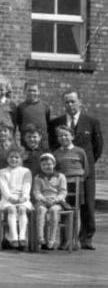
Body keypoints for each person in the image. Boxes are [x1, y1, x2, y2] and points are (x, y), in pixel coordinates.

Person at [47, 90, 101, 250]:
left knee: (88, 205)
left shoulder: (91, 122)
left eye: (73, 101)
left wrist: (85, 165)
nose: (70, 105)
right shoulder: (56, 122)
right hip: (63, 173)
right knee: (65, 204)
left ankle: (86, 238)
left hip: (85, 171)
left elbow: (97, 147)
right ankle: (66, 239)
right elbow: (53, 144)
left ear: (79, 102)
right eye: (67, 102)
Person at [0, 148, 32, 250]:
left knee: (22, 209)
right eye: (11, 157)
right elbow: (3, 187)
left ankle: (22, 236)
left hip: (22, 198)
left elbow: (26, 185)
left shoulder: (26, 171)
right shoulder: (2, 172)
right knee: (11, 209)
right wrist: (10, 198)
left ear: (21, 159)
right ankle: (14, 237)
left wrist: (24, 197)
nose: (14, 159)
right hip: (8, 199)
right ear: (7, 159)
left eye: (17, 157)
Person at [32, 153, 67, 251]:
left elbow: (63, 191)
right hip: (43, 200)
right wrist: (43, 199)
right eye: (43, 165)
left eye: (49, 164)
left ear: (54, 164)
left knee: (54, 211)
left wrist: (55, 199)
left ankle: (52, 239)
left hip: (56, 201)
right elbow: (36, 191)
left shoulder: (60, 176)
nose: (46, 166)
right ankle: (40, 237)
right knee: (40, 210)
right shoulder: (38, 177)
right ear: (41, 166)